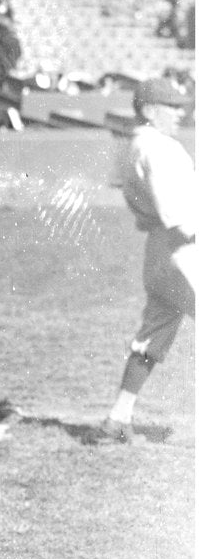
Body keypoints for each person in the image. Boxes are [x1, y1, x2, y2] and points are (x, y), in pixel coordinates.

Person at [93, 77, 195, 443]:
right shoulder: (161, 149)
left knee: (151, 338)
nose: (181, 111)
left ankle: (117, 419)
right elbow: (181, 217)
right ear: (150, 111)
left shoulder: (133, 145)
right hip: (186, 250)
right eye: (172, 106)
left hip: (158, 254)